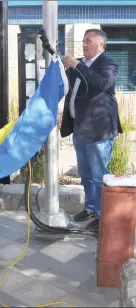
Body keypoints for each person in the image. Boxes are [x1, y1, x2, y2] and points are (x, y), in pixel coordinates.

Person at [61, 29, 122, 231]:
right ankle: (90, 207)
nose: (84, 44)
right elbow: (68, 89)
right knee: (85, 174)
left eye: (88, 41)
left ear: (101, 44)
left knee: (98, 175)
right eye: (83, 40)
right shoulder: (78, 64)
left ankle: (102, 215)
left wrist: (77, 64)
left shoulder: (108, 63)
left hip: (99, 130)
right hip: (79, 127)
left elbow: (102, 83)